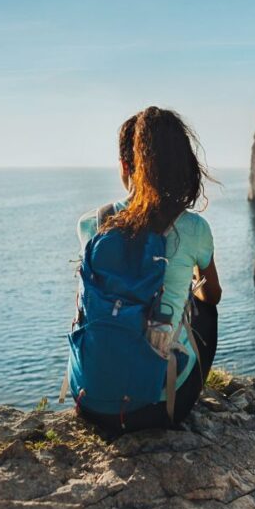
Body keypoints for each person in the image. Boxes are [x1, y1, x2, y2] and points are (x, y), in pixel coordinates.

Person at [72, 106, 221, 434]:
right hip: (156, 411)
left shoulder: (91, 224)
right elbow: (213, 294)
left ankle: (104, 383)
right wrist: (185, 284)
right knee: (206, 311)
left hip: (90, 403)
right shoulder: (194, 228)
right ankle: (167, 384)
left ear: (126, 166)